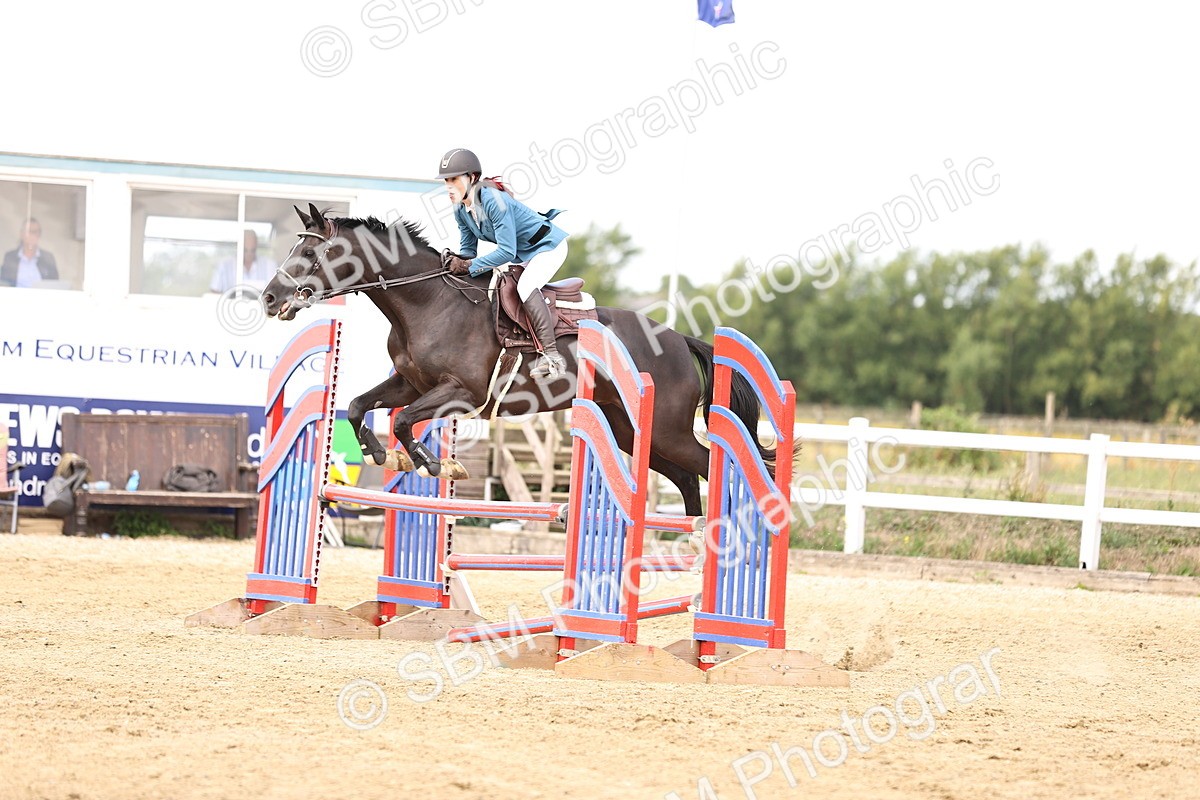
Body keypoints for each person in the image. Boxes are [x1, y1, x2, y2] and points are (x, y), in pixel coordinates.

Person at [438, 148, 570, 379]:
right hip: (525, 254)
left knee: (525, 286)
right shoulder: (460, 210)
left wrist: (469, 266)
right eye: (446, 180)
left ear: (472, 178)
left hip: (548, 247)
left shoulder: (494, 201)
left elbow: (506, 251)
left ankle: (552, 357)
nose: (449, 186)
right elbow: (469, 251)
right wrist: (457, 261)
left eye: (454, 180)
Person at [210, 229, 278, 294]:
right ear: (238, 246)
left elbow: (276, 293)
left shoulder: (270, 265)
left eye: (252, 250)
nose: (249, 254)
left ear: (256, 245)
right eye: (245, 250)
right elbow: (214, 292)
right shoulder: (224, 266)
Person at [0, 218, 59, 288]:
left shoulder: (48, 258)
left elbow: (55, 285)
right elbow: (4, 283)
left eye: (35, 232)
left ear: (39, 235)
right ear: (22, 234)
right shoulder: (10, 257)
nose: (32, 235)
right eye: (29, 231)